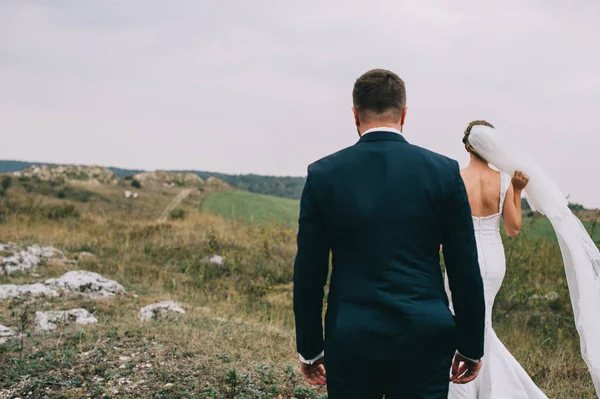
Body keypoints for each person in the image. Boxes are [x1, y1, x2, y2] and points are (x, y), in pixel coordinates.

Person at [293, 69, 486, 399]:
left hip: (351, 333)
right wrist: (470, 345)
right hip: (424, 333)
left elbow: (309, 272)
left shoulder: (323, 175)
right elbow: (464, 266)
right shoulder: (444, 172)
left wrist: (310, 349)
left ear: (355, 114)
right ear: (404, 113)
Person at [444, 120, 548, 398]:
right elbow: (513, 229)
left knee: (459, 318)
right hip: (493, 257)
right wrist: (516, 189)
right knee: (483, 321)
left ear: (467, 146)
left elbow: (444, 229)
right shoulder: (504, 181)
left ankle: (460, 386)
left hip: (460, 257)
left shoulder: (454, 178)